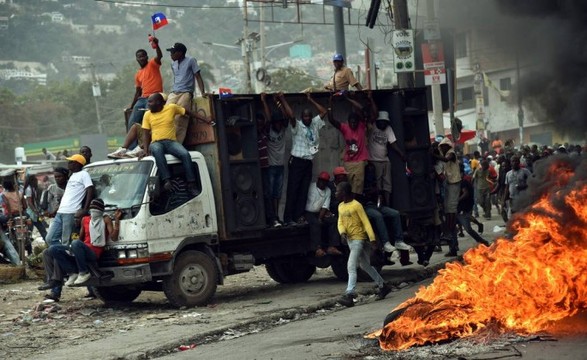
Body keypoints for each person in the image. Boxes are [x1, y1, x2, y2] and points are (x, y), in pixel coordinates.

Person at [336, 181, 390, 307]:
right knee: (365, 266)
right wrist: (342, 233)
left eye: (337, 191)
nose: (335, 193)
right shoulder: (340, 206)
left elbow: (366, 222)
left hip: (358, 240)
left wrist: (373, 240)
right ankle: (383, 286)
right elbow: (340, 221)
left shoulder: (357, 205)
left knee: (351, 266)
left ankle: (349, 294)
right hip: (350, 240)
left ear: (344, 193)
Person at [140, 92, 204, 196]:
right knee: (157, 150)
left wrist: (205, 119)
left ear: (159, 102)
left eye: (150, 102)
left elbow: (187, 112)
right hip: (156, 142)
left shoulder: (171, 108)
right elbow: (145, 134)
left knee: (185, 154)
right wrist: (146, 150)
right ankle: (167, 180)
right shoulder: (147, 115)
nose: (148, 104)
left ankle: (191, 184)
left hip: (170, 142)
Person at [280, 92, 327, 226]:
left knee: (303, 191)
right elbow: (290, 115)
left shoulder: (314, 124)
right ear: (302, 117)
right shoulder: (297, 125)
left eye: (309, 116)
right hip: (297, 162)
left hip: (308, 163)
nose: (307, 118)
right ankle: (288, 219)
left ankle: (298, 217)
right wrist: (283, 99)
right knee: (293, 190)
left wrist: (310, 99)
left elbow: (324, 111)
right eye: (305, 116)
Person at [52, 199, 122, 287]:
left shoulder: (105, 219)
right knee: (53, 249)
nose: (94, 213)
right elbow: (80, 239)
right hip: (83, 248)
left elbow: (114, 238)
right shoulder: (85, 220)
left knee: (75, 243)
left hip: (94, 252)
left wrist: (116, 221)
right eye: (92, 211)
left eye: (96, 211)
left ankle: (83, 272)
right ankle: (72, 272)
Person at [45, 154, 94, 247]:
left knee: (66, 241)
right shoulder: (72, 176)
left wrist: (85, 209)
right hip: (61, 212)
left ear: (77, 164)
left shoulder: (84, 174)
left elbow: (90, 189)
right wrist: (56, 210)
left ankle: (66, 259)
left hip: (71, 212)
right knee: (50, 239)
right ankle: (62, 255)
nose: (68, 163)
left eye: (71, 162)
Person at [125, 38, 163, 150]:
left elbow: (159, 56)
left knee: (148, 120)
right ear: (136, 59)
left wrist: (157, 45)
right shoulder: (138, 74)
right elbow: (138, 91)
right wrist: (131, 106)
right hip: (142, 99)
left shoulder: (152, 64)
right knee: (132, 122)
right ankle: (131, 149)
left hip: (154, 97)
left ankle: (146, 145)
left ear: (147, 57)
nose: (141, 58)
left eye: (143, 56)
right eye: (139, 56)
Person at [166, 42, 207, 144]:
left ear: (180, 53)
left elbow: (197, 76)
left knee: (180, 116)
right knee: (166, 114)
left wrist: (203, 92)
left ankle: (177, 143)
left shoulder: (191, 60)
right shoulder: (173, 64)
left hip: (186, 92)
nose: (171, 55)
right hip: (174, 92)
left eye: (173, 52)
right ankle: (166, 139)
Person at [328, 96, 369, 196]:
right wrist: (330, 104)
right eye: (351, 122)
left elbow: (362, 110)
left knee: (358, 187)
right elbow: (331, 120)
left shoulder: (362, 126)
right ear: (348, 122)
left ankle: (356, 204)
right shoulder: (345, 128)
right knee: (348, 187)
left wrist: (348, 98)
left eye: (355, 122)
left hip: (360, 161)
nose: (353, 124)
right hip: (348, 161)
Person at [260, 92, 288, 227]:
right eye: (277, 123)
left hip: (280, 166)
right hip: (270, 166)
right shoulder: (269, 130)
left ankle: (277, 216)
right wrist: (264, 101)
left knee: (277, 194)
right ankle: (272, 218)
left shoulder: (283, 129)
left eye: (280, 122)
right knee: (270, 193)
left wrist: (279, 101)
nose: (278, 125)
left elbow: (287, 115)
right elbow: (268, 118)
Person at [366, 110, 405, 206]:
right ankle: (380, 204)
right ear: (378, 121)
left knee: (388, 184)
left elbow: (393, 143)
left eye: (385, 122)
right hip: (374, 160)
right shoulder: (372, 126)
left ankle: (388, 204)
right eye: (381, 122)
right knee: (378, 184)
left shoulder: (388, 128)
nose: (383, 124)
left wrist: (401, 154)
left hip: (385, 160)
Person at [434, 137, 461, 257]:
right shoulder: (442, 159)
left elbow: (446, 159)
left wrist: (433, 155)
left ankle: (451, 239)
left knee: (451, 211)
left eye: (444, 147)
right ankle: (453, 245)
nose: (443, 149)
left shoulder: (451, 154)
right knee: (449, 212)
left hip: (454, 183)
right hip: (449, 184)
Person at [305, 171, 341, 257]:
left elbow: (325, 206)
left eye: (324, 181)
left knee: (333, 221)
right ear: (318, 180)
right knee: (315, 224)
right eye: (321, 180)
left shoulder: (327, 190)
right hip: (308, 212)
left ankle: (332, 246)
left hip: (319, 212)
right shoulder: (311, 186)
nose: (322, 183)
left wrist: (320, 218)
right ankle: (317, 248)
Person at [458, 166, 490, 247]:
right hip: (462, 208)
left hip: (463, 208)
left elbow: (466, 193)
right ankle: (454, 247)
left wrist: (457, 200)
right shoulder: (460, 182)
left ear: (461, 173)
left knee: (468, 228)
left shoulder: (463, 182)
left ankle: (483, 241)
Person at [23, 175, 47, 241]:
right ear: (32, 181)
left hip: (34, 213)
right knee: (30, 231)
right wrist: (35, 211)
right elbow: (29, 202)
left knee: (42, 229)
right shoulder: (29, 189)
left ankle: (49, 243)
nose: (37, 181)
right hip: (30, 213)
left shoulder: (32, 188)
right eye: (35, 180)